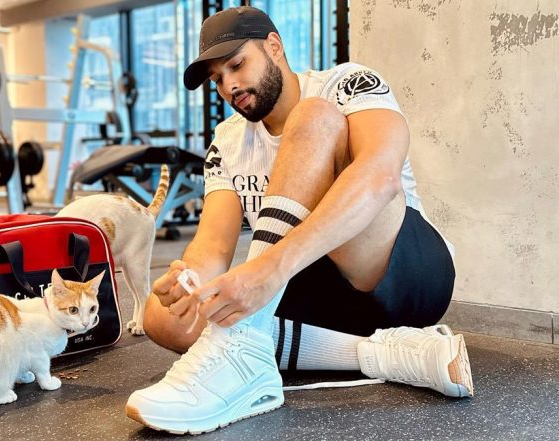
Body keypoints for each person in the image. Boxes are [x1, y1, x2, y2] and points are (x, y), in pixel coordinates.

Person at [124, 6, 473, 435]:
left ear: (274, 46)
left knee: (314, 116)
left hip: (402, 273)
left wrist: (266, 271)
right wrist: (187, 279)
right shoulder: (228, 140)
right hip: (313, 287)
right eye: (217, 80)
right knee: (166, 317)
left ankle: (244, 346)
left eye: (237, 65)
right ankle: (380, 355)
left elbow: (380, 178)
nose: (229, 85)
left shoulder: (345, 84)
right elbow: (213, 246)